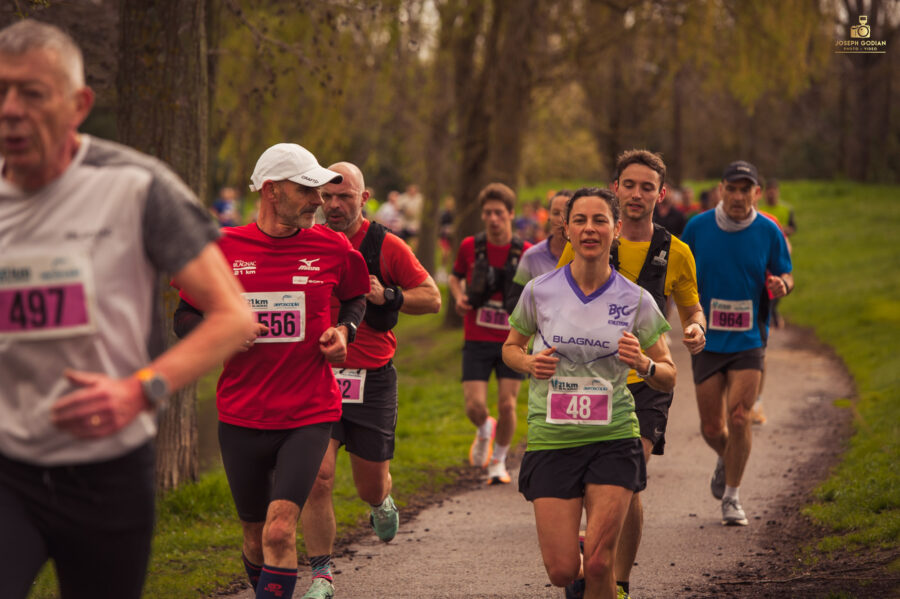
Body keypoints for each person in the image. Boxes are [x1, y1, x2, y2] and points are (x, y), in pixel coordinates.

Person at [0, 20, 256, 599]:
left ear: (78, 104)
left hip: (108, 470)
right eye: (0, 91)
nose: (10, 110)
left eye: (32, 93)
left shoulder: (135, 186)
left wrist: (140, 390)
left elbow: (232, 316)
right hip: (8, 465)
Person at [173, 144, 371, 599]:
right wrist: (218, 332)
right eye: (307, 190)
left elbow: (356, 296)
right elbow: (184, 317)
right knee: (254, 534)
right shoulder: (222, 249)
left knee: (280, 530)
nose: (319, 201)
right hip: (241, 413)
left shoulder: (332, 247)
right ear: (271, 190)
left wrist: (345, 331)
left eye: (320, 192)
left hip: (308, 410)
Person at [502, 187, 675, 599]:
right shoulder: (539, 291)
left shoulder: (635, 299)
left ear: (616, 229)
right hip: (552, 438)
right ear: (566, 227)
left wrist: (644, 364)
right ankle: (579, 552)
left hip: (613, 436)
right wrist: (528, 363)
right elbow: (510, 348)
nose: (590, 229)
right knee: (564, 571)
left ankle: (600, 562)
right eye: (580, 220)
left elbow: (668, 373)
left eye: (600, 221)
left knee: (601, 564)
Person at [556, 150, 706, 598]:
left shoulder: (676, 252)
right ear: (615, 188)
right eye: (629, 185)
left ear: (661, 195)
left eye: (647, 187)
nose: (637, 194)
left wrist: (696, 327)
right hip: (590, 379)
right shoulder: (590, 236)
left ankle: (617, 582)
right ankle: (595, 556)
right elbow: (560, 299)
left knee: (627, 476)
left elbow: (691, 306)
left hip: (647, 380)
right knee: (592, 482)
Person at [299, 162, 441, 599]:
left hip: (371, 379)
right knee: (318, 476)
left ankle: (381, 500)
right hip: (319, 375)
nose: (335, 205)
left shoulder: (387, 245)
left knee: (369, 484)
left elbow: (433, 298)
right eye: (328, 197)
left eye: (346, 197)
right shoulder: (309, 241)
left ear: (364, 198)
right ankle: (321, 575)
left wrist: (389, 295)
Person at [681, 160, 793, 527]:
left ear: (757, 193)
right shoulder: (697, 228)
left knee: (740, 416)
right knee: (713, 428)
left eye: (747, 189)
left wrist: (782, 285)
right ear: (721, 190)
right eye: (732, 188)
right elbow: (681, 277)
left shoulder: (769, 230)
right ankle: (726, 456)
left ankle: (732, 496)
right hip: (708, 339)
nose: (739, 196)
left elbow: (786, 273)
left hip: (749, 338)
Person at [449, 183, 531, 485]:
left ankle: (498, 460)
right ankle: (484, 427)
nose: (493, 219)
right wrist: (458, 296)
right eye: (488, 213)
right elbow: (455, 276)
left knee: (508, 404)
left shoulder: (525, 253)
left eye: (499, 213)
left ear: (511, 214)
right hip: (476, 337)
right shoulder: (470, 246)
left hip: (512, 341)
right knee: (474, 406)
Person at [512, 189, 572, 286]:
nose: (561, 219)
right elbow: (516, 297)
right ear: (548, 216)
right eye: (556, 213)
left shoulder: (585, 256)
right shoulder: (531, 256)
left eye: (566, 213)